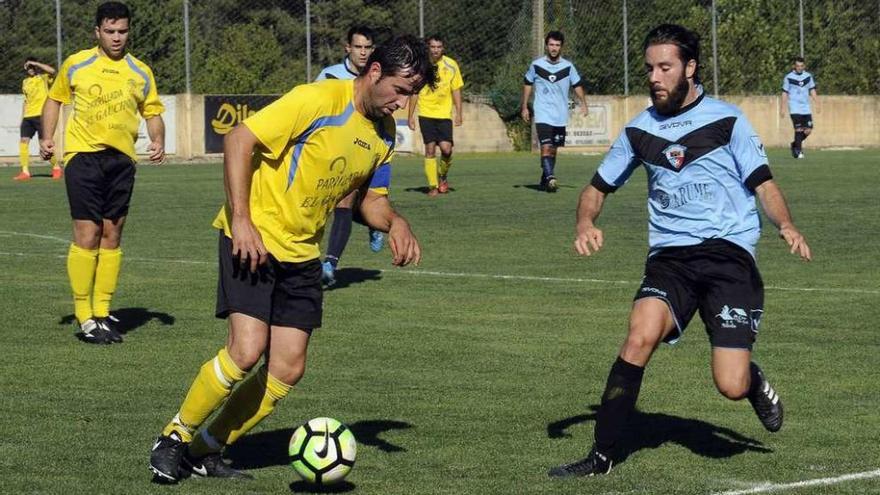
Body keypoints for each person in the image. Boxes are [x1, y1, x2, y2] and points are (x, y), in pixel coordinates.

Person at [148, 35, 436, 484]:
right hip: (253, 236)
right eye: (400, 90)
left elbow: (371, 200)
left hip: (302, 251)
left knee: (288, 367)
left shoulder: (382, 136)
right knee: (245, 350)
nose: (403, 102)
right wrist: (241, 220)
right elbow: (239, 140)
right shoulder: (317, 100)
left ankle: (207, 448)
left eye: (410, 95)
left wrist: (396, 222)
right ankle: (174, 436)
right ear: (375, 72)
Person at [550, 24, 812, 478]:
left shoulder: (726, 119)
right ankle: (602, 456)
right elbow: (596, 188)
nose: (655, 76)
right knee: (638, 336)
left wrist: (785, 224)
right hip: (670, 259)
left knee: (729, 384)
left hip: (728, 256)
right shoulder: (638, 130)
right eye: (650, 68)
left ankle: (754, 383)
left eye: (665, 67)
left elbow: (763, 183)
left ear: (690, 68)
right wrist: (585, 221)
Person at [40, 1, 166, 345]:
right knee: (87, 233)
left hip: (122, 161)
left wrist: (158, 139)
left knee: (113, 234)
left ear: (128, 32)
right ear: (97, 32)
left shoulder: (140, 71)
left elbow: (152, 111)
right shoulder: (77, 63)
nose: (116, 37)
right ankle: (84, 315)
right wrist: (47, 136)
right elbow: (54, 100)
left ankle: (102, 310)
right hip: (83, 158)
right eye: (109, 31)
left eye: (122, 31)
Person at [315, 26, 385, 286]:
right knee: (330, 204)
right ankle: (371, 220)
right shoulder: (329, 75)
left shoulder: (377, 76)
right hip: (328, 149)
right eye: (358, 47)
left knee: (344, 201)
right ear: (348, 48)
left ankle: (330, 265)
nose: (363, 52)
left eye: (368, 47)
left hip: (361, 149)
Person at [520, 31, 587, 192]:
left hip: (560, 115)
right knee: (546, 145)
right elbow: (527, 83)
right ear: (546, 45)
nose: (554, 48)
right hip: (542, 112)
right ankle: (550, 176)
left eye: (557, 45)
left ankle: (545, 177)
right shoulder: (536, 65)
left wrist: (584, 103)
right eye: (551, 44)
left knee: (554, 148)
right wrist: (524, 106)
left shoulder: (568, 67)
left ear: (561, 47)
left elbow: (577, 85)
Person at [407, 34, 464, 197]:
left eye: (439, 47)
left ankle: (442, 176)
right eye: (433, 47)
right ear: (428, 48)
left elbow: (456, 90)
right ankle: (433, 186)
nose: (436, 50)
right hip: (426, 113)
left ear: (443, 48)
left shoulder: (451, 65)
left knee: (447, 149)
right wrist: (410, 116)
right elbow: (415, 92)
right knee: (430, 149)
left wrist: (459, 112)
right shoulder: (421, 66)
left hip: (444, 114)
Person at [15, 57, 61, 181]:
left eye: (32, 67)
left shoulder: (43, 78)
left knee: (43, 145)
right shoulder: (25, 82)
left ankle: (56, 167)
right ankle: (25, 172)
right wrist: (22, 118)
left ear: (35, 67)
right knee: (23, 141)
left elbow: (53, 71)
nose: (30, 69)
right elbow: (26, 101)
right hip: (28, 117)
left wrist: (35, 63)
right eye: (28, 67)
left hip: (42, 115)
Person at [781, 57, 819, 159]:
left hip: (806, 108)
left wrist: (817, 103)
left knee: (808, 130)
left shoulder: (808, 76)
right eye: (797, 66)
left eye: (801, 66)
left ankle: (795, 144)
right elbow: (784, 93)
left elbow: (812, 90)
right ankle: (799, 151)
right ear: (794, 66)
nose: (799, 68)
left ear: (804, 66)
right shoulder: (788, 77)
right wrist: (782, 108)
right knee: (798, 129)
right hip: (794, 107)